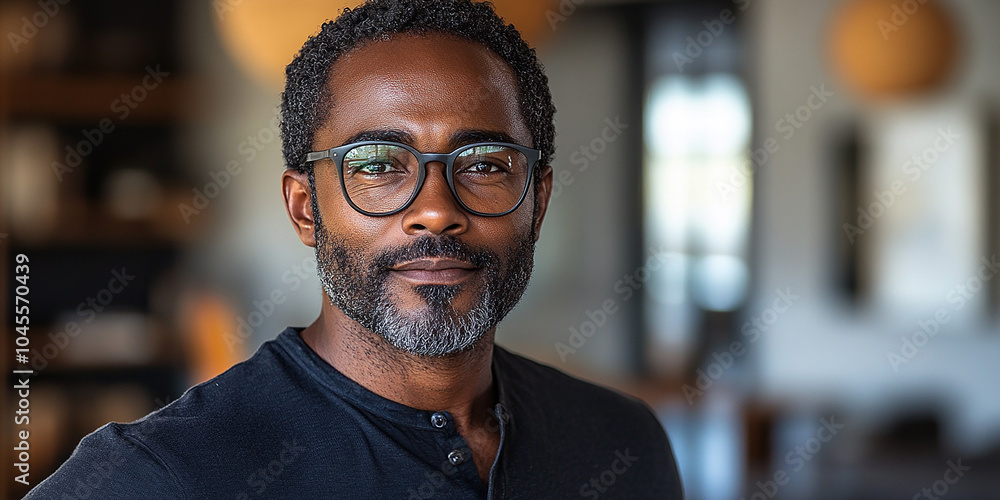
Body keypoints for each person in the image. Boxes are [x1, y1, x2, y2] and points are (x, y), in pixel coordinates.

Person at [27, 0, 684, 498]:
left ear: (537, 201)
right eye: (376, 165)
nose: (435, 209)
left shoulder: (620, 443)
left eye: (484, 163)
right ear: (305, 208)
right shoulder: (166, 472)